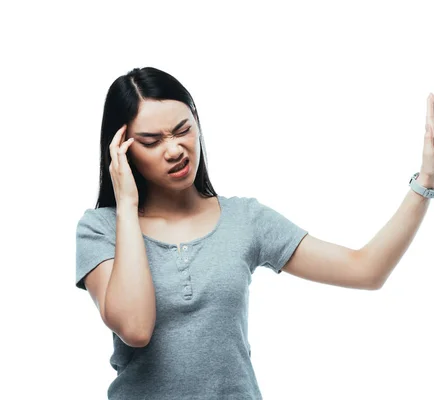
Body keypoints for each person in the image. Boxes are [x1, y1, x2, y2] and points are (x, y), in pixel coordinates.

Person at [75, 67, 309, 399]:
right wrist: (127, 203)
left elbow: (364, 269)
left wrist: (414, 188)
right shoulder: (98, 229)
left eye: (183, 130)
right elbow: (135, 328)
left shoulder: (245, 219)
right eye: (151, 141)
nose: (174, 150)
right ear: (122, 150)